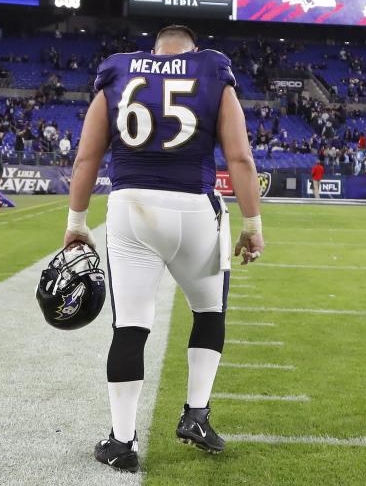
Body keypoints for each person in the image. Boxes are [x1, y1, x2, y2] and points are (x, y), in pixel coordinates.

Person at [62, 24, 264, 472]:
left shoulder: (119, 69)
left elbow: (86, 157)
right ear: (190, 50)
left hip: (131, 209)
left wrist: (76, 222)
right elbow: (240, 158)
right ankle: (196, 414)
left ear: (153, 50)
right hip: (195, 209)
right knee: (210, 313)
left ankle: (121, 442)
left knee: (130, 326)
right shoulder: (211, 67)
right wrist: (253, 224)